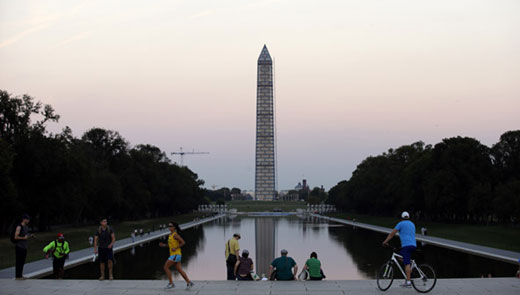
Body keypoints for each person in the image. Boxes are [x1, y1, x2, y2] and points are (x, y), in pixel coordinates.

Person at [382, 211, 417, 288]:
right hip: (413, 245)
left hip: (406, 246)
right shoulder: (412, 224)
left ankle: (408, 282)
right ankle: (410, 264)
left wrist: (385, 241)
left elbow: (392, 234)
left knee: (406, 263)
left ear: (401, 217)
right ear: (408, 217)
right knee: (399, 256)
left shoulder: (400, 224)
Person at [159, 221, 194, 289]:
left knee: (166, 267)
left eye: (170, 226)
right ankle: (189, 282)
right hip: (175, 255)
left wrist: (176, 247)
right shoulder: (170, 235)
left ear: (174, 227)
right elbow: (170, 245)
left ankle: (171, 283)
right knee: (180, 270)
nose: (169, 227)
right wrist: (164, 245)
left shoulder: (175, 235)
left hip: (175, 255)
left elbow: (183, 242)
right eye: (168, 226)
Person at [13, 214, 33, 280]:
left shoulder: (26, 227)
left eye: (29, 219)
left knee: (22, 261)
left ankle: (20, 275)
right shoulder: (19, 227)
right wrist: (23, 238)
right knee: (18, 261)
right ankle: (17, 276)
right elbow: (16, 237)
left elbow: (26, 235)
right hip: (19, 246)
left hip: (24, 247)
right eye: (27, 219)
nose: (28, 221)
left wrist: (30, 236)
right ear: (24, 219)